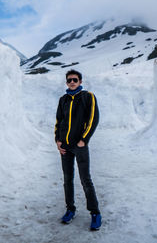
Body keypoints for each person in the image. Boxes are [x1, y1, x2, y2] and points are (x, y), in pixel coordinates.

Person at [54, 69, 101, 231]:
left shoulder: (88, 97)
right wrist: (58, 141)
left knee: (85, 180)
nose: (72, 82)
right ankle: (70, 209)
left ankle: (95, 213)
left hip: (79, 146)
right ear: (66, 83)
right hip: (65, 147)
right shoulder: (63, 100)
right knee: (67, 180)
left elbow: (93, 119)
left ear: (80, 81)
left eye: (75, 79)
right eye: (69, 80)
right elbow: (58, 121)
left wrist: (84, 140)